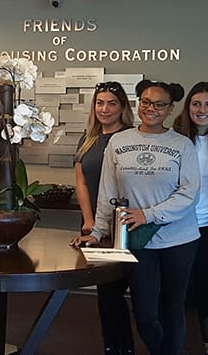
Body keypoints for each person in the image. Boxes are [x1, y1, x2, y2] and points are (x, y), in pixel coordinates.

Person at [73, 79, 200, 355]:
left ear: (169, 109)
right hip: (137, 241)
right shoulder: (119, 141)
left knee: (172, 306)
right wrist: (96, 231)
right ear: (138, 103)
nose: (151, 108)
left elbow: (189, 194)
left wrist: (148, 214)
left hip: (179, 238)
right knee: (144, 313)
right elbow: (108, 192)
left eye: (159, 104)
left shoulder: (183, 144)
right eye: (145, 102)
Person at [74, 81, 135, 355]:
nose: (104, 109)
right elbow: (81, 182)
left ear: (122, 107)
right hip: (94, 228)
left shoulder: (132, 137)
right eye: (100, 103)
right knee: (106, 294)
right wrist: (89, 221)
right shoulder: (87, 138)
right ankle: (112, 347)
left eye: (111, 103)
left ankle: (125, 347)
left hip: (124, 227)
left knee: (121, 293)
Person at [173, 82, 208, 355]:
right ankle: (176, 343)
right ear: (188, 107)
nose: (202, 110)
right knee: (177, 290)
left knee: (207, 288)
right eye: (196, 104)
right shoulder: (175, 139)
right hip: (178, 226)